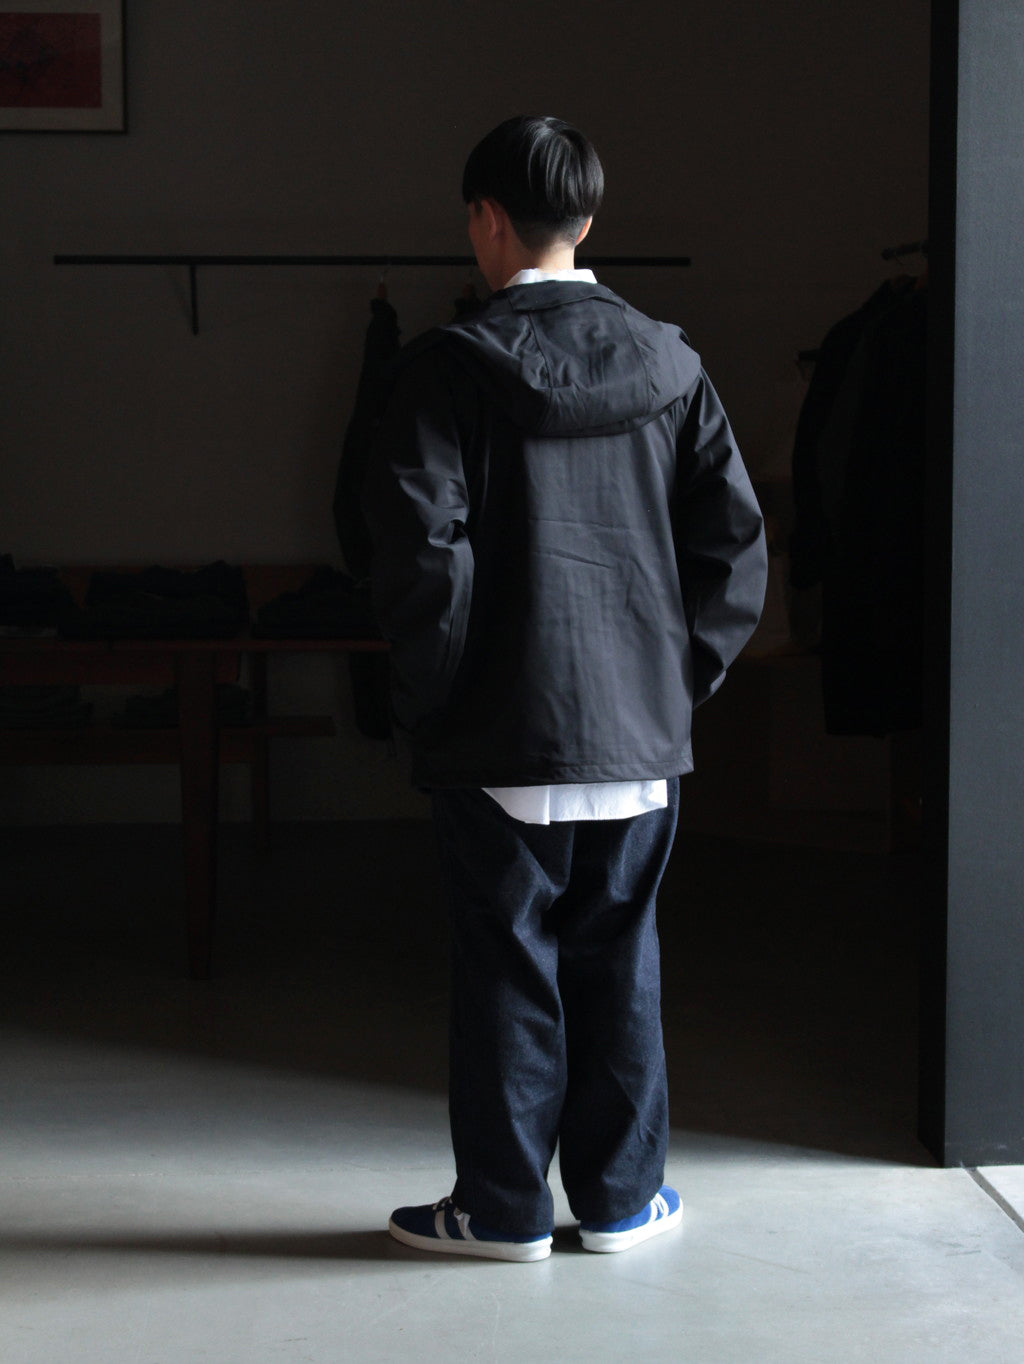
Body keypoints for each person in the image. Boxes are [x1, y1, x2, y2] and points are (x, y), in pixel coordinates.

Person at [363, 115, 767, 1262]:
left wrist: (438, 700)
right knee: (619, 957)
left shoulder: (444, 369)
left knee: (506, 964)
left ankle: (500, 1209)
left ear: (486, 219)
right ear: (586, 222)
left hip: (500, 730)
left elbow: (423, 558)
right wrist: (671, 687)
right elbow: (735, 550)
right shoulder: (672, 364)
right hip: (639, 733)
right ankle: (622, 1200)